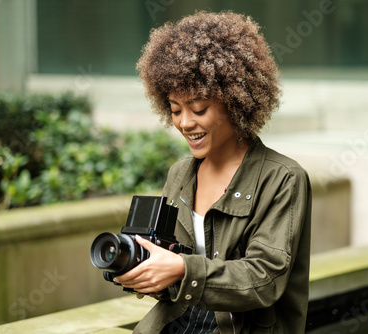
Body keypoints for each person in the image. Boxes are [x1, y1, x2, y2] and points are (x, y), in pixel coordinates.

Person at [114, 11, 312, 333]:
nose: (184, 123)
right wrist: (144, 272)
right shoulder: (180, 174)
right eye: (175, 110)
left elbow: (264, 279)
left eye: (199, 108)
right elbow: (170, 267)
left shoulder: (284, 178)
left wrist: (181, 269)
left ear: (235, 101)